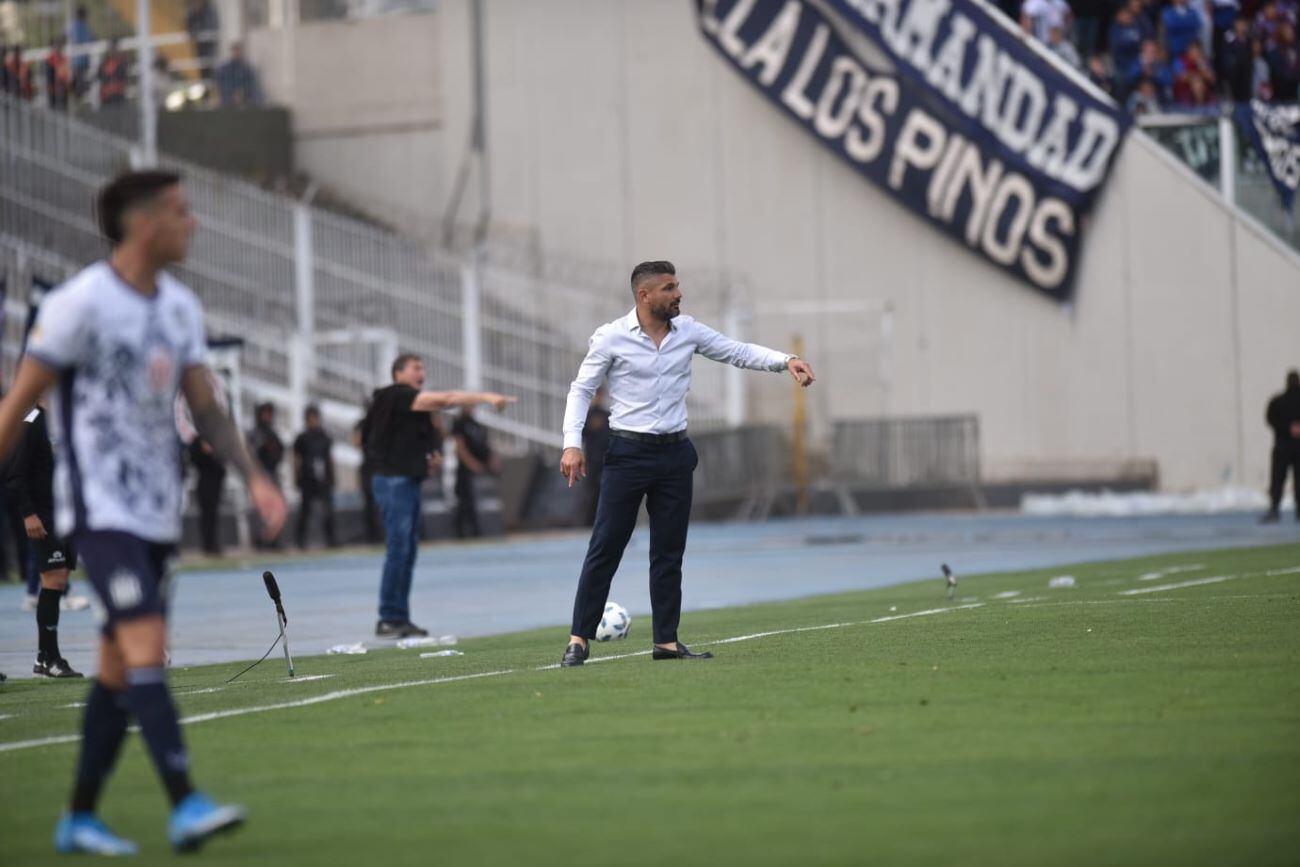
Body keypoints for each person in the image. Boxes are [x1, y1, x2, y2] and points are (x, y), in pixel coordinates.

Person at [0, 169, 286, 855]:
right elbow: (17, 404)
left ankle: (78, 817)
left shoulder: (180, 308)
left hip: (157, 512)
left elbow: (206, 407)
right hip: (98, 510)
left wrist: (255, 477)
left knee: (116, 667)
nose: (194, 224)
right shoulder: (77, 305)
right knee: (145, 643)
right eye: (181, 212)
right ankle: (185, 802)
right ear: (141, 221)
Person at [558, 261, 816, 667]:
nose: (678, 294)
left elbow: (738, 351)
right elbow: (581, 389)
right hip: (627, 454)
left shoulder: (689, 331)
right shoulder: (610, 338)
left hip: (675, 454)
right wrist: (572, 444)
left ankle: (666, 641)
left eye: (677, 286)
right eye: (669, 288)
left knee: (669, 551)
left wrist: (786, 360)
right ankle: (578, 639)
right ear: (644, 296)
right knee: (606, 545)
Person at [362, 354, 514, 638]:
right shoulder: (397, 395)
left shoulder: (404, 407)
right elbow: (446, 400)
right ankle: (388, 616)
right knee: (399, 548)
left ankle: (398, 616)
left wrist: (427, 456)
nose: (422, 372)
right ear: (398, 372)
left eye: (423, 367)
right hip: (393, 482)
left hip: (405, 480)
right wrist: (485, 397)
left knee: (407, 549)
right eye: (416, 367)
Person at [2, 402, 83, 677]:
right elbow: (15, 474)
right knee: (54, 579)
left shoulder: (66, 416)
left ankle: (43, 657)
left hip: (66, 513)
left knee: (58, 581)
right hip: (44, 514)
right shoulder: (32, 421)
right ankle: (50, 658)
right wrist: (28, 514)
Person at [293, 405, 336, 548]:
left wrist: (332, 476)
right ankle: (300, 540)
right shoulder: (302, 438)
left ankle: (331, 539)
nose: (313, 422)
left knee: (327, 510)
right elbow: (296, 459)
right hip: (307, 478)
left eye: (315, 418)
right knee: (305, 511)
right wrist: (297, 476)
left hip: (323, 479)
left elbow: (329, 458)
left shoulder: (324, 437)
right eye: (310, 419)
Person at [451, 405, 496, 539]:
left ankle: (480, 532)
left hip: (482, 469)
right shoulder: (459, 424)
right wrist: (472, 464)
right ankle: (462, 534)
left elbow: (487, 445)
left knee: (480, 503)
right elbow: (459, 447)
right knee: (465, 503)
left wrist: (492, 461)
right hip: (465, 471)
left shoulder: (477, 425)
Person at [1262, 370, 1300, 523]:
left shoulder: (1277, 402)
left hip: (1282, 446)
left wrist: (1287, 428)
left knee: (1278, 480)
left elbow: (1270, 419)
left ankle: (1274, 509)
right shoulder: (1278, 401)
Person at [580, 388, 611, 527]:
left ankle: (605, 520)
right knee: (591, 490)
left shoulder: (606, 414)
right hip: (592, 458)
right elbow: (581, 432)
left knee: (608, 490)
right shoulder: (586, 415)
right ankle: (587, 521)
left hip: (607, 457)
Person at [189, 438, 225, 555]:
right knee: (206, 515)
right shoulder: (198, 441)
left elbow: (222, 462)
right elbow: (193, 459)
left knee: (213, 515)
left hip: (216, 484)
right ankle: (207, 544)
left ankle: (214, 543)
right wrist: (203, 452)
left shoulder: (216, 439)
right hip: (204, 483)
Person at [214, 42, 263, 107]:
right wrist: (231, 95)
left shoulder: (247, 69)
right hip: (227, 101)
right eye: (235, 51)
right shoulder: (224, 69)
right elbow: (220, 85)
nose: (237, 53)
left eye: (239, 51)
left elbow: (252, 86)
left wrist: (243, 94)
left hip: (244, 102)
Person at [185, 0, 219, 76]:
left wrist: (199, 31)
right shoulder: (192, 13)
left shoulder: (210, 11)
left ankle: (211, 81)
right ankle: (205, 83)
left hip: (209, 44)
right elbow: (188, 26)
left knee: (210, 64)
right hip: (200, 45)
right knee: (201, 66)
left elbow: (211, 26)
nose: (197, 4)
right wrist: (194, 32)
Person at [96, 39, 128, 106]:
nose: (113, 50)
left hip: (118, 96)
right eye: (112, 48)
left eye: (114, 48)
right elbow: (99, 77)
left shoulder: (121, 63)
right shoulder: (104, 63)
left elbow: (123, 77)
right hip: (107, 97)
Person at [45, 37, 72, 110]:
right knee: (53, 109)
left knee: (63, 108)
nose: (58, 48)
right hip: (53, 89)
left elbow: (66, 73)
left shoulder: (64, 59)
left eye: (60, 45)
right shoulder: (49, 60)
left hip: (63, 88)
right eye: (56, 45)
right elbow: (49, 76)